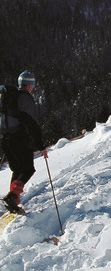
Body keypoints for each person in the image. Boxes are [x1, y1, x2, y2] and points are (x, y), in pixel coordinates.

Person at [1, 70, 48, 213]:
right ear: (29, 85)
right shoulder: (24, 98)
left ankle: (13, 201)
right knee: (28, 169)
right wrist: (41, 146)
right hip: (19, 139)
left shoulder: (9, 97)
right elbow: (31, 123)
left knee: (18, 169)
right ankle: (12, 197)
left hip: (4, 137)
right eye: (32, 84)